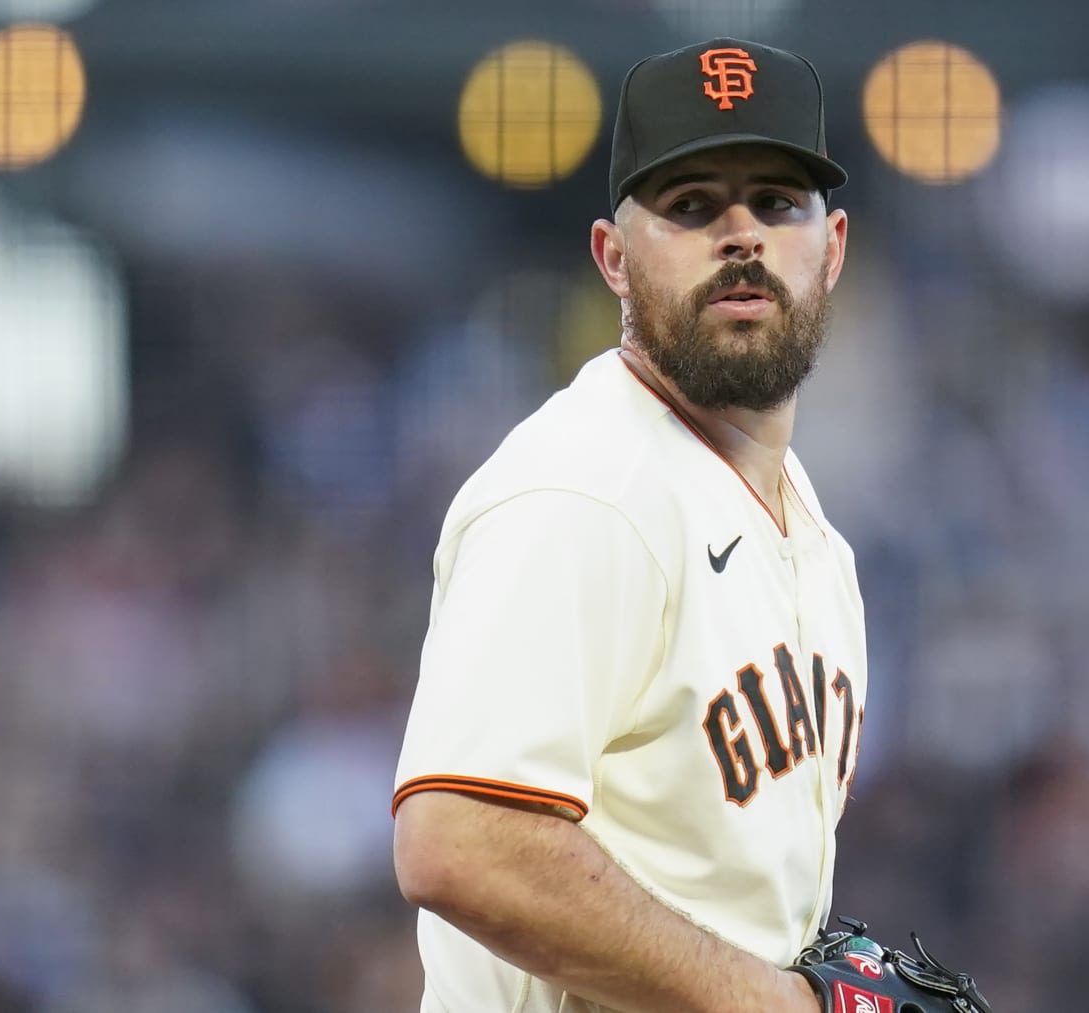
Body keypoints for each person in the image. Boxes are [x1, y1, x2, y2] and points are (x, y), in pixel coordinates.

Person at [392, 37, 862, 1013]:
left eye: (777, 203)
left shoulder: (809, 529)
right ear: (612, 256)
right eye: (692, 207)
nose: (742, 235)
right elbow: (460, 841)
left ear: (834, 248)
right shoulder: (583, 490)